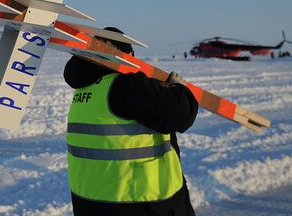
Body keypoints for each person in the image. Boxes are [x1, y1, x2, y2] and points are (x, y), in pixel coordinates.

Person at [64, 27, 198, 216]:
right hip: (140, 201)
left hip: (89, 201)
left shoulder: (84, 90)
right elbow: (182, 115)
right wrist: (178, 89)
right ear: (123, 55)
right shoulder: (125, 84)